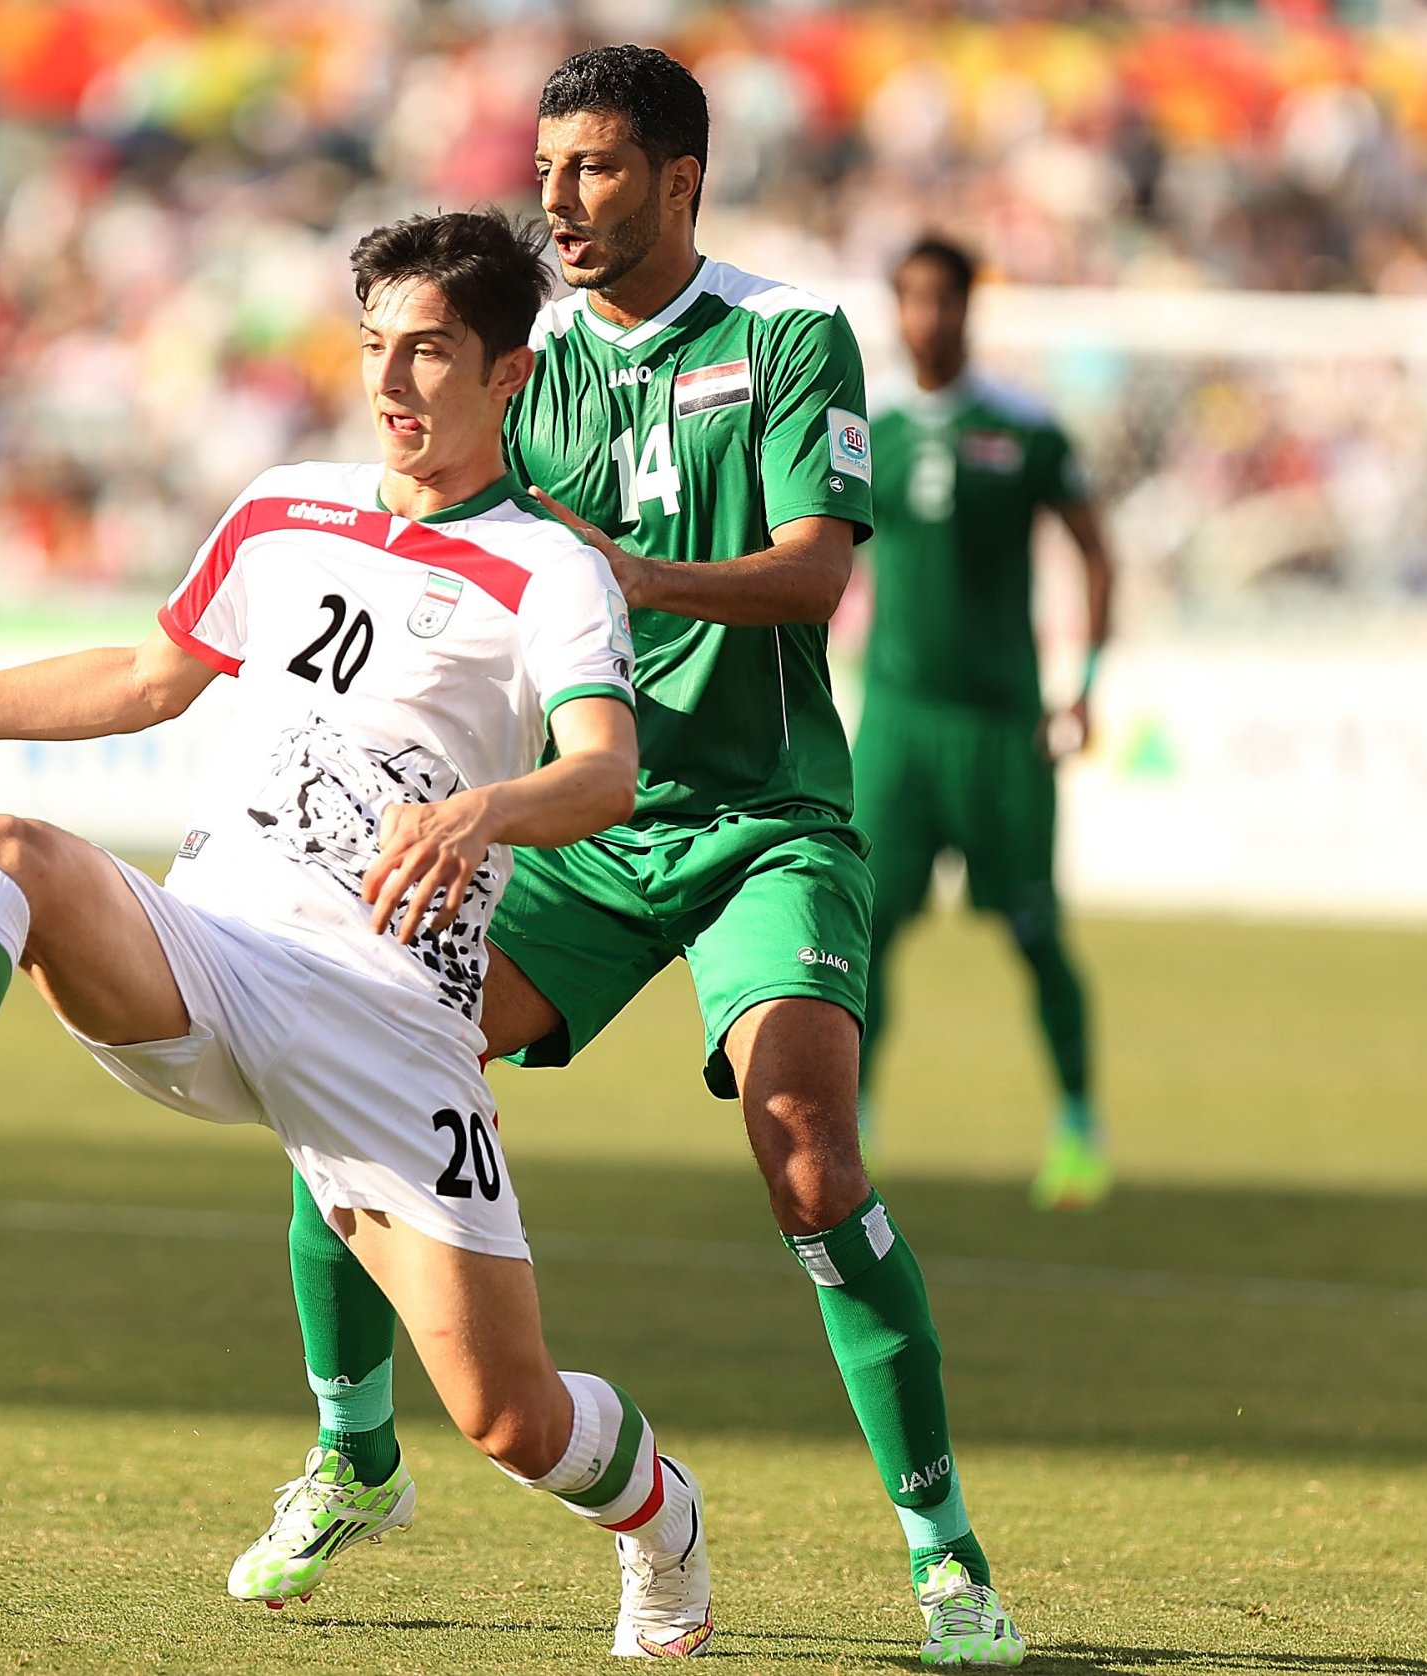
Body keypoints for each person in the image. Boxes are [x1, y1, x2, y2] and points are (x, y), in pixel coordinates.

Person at [0, 209, 721, 1659]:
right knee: (12, 852)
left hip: (389, 1018)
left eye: (430, 354)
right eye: (373, 350)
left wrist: (486, 815)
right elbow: (149, 676)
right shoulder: (284, 506)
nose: (393, 385)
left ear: (511, 376)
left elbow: (606, 773)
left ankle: (664, 1525)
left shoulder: (550, 568)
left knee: (510, 1419)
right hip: (209, 946)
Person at [239, 46, 1025, 1672]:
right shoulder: (520, 364)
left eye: (595, 169)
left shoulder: (791, 333)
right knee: (352, 1048)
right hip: (578, 830)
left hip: (763, 826)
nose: (560, 200)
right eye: (547, 169)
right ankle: (355, 1452)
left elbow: (814, 581)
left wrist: (621, 579)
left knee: (812, 1155)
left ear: (680, 177)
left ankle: (945, 1560)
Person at [855, 235, 1117, 1213]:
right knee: (861, 934)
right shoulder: (861, 421)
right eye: (911, 297)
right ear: (894, 308)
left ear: (970, 308)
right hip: (896, 725)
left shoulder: (1025, 427)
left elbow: (1096, 552)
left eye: (944, 298)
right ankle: (852, 1127)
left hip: (1005, 729)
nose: (927, 316)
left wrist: (1082, 681)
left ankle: (1079, 1127)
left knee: (1037, 933)